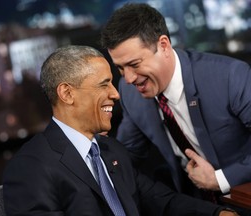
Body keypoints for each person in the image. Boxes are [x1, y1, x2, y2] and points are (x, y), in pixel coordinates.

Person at [2, 45, 238, 216]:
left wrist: (219, 214)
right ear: (67, 94)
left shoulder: (111, 150)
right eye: (104, 84)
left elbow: (163, 201)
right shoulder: (31, 165)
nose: (115, 94)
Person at [100, 2, 251, 205]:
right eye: (120, 68)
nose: (128, 78)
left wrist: (220, 179)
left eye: (134, 64)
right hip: (193, 204)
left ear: (163, 46)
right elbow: (127, 155)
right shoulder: (130, 92)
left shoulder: (230, 76)